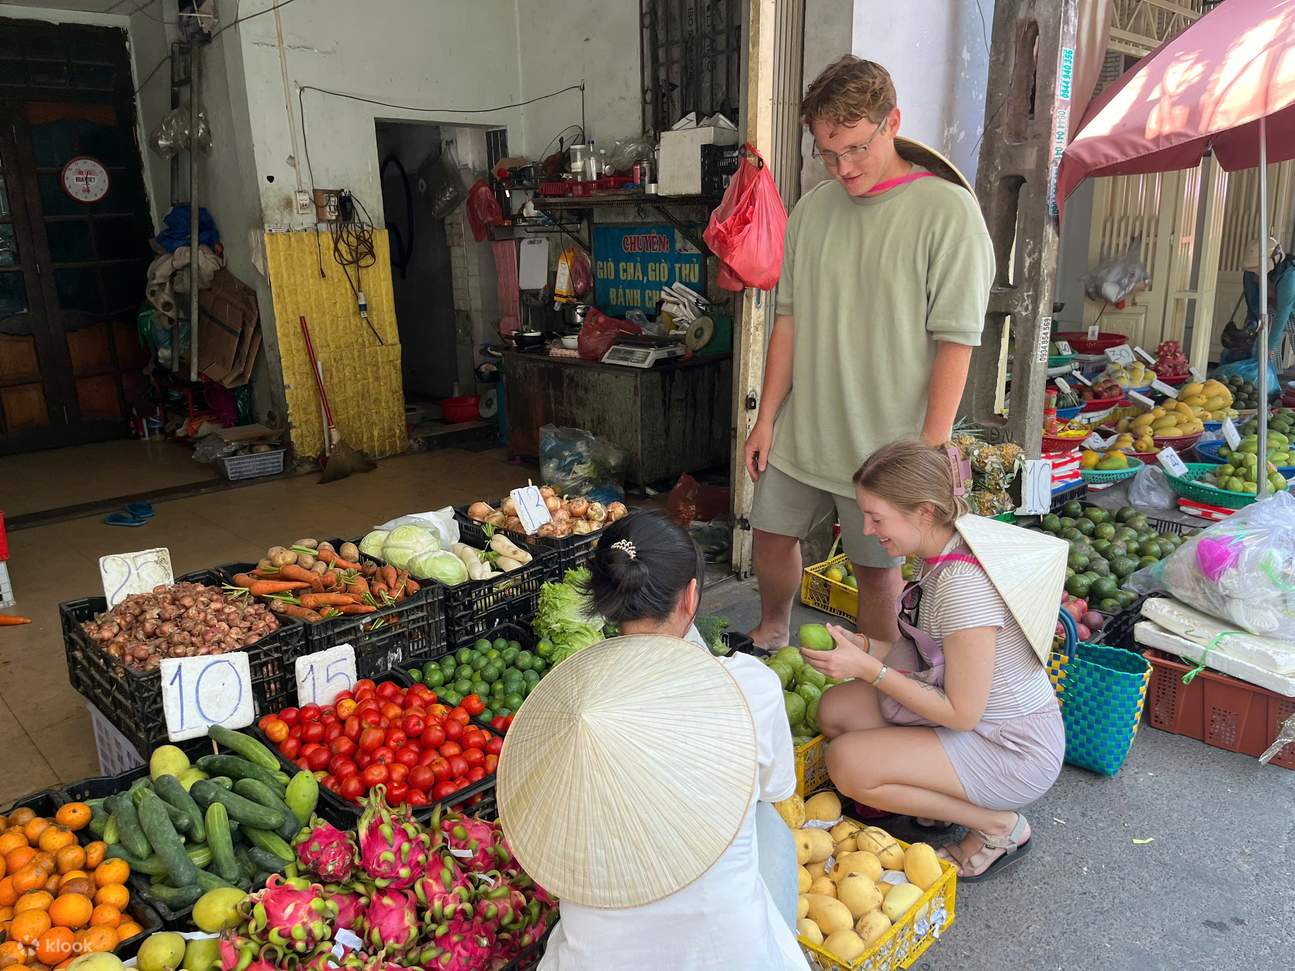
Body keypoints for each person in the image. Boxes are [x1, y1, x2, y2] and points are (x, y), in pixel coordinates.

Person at [744, 55, 995, 651]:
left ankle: (882, 671)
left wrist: (928, 452)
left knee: (875, 571)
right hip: (806, 431)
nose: (843, 167)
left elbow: (956, 341)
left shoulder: (947, 212)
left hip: (887, 443)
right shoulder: (811, 212)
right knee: (770, 536)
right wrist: (766, 419)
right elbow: (789, 323)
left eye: (855, 148)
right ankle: (773, 626)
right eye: (828, 154)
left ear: (892, 122)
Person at [519, 510, 803, 970]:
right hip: (732, 959)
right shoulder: (750, 688)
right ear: (691, 596)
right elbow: (775, 790)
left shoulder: (571, 707)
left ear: (605, 600)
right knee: (768, 823)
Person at [801, 440, 1066, 882]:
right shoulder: (939, 554)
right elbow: (927, 658)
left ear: (924, 512)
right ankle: (930, 799)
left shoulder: (963, 587)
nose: (866, 530)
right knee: (835, 709)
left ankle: (999, 826)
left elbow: (962, 714)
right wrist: (863, 648)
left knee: (846, 763)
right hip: (971, 720)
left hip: (1012, 749)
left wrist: (871, 670)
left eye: (876, 517)